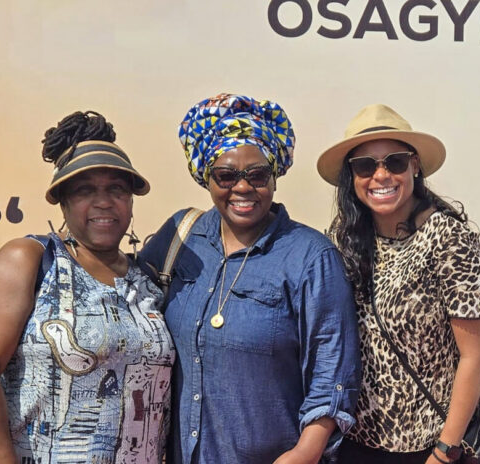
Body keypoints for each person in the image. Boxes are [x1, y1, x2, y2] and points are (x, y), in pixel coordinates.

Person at [141, 93, 359, 464]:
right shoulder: (180, 236)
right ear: (206, 177)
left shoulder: (310, 256)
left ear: (274, 177)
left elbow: (332, 371)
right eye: (226, 175)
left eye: (257, 174)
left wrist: (305, 452)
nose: (242, 187)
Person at [0, 111, 174, 463]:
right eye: (85, 190)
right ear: (64, 201)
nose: (103, 202)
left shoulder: (145, 280)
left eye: (116, 190)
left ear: (131, 202)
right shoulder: (31, 259)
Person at [318, 104, 480, 464]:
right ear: (351, 176)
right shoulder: (347, 238)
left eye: (394, 162)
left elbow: (475, 355)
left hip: (426, 448)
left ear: (415, 165)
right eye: (365, 165)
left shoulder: (447, 238)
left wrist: (445, 450)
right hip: (356, 442)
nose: (380, 175)